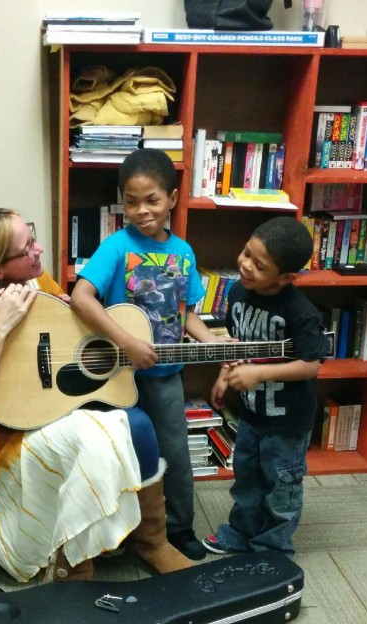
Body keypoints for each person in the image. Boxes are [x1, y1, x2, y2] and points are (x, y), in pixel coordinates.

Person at [0, 208, 193, 582]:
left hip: (52, 404)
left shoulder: (36, 280)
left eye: (32, 237)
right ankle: (74, 565)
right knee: (92, 441)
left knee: (139, 424)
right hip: (0, 432)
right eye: (27, 248)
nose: (39, 250)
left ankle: (152, 542)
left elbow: (65, 334)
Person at [71, 148, 232, 561]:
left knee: (174, 453)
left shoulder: (184, 253)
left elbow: (187, 314)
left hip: (165, 376)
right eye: (131, 202)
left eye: (152, 200)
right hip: (116, 377)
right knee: (120, 454)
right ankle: (121, 533)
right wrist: (126, 341)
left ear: (172, 199)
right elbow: (81, 298)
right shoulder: (115, 247)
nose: (141, 211)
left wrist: (211, 343)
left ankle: (178, 528)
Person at [201, 217, 326, 557]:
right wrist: (225, 372)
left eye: (259, 265)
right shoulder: (238, 292)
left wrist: (260, 374)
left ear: (285, 277)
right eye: (246, 253)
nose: (245, 265)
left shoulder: (300, 312)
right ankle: (241, 533)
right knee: (246, 477)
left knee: (280, 485)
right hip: (251, 413)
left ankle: (273, 549)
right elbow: (238, 344)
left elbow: (311, 365)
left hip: (287, 422)